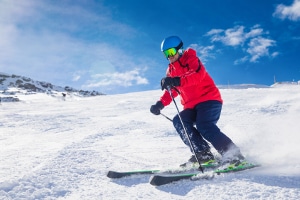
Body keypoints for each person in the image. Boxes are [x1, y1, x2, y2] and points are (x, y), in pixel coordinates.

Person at [150, 36, 244, 166]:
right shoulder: (171, 71)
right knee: (179, 121)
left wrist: (176, 81)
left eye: (171, 52)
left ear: (179, 50)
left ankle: (234, 155)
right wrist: (160, 104)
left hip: (209, 100)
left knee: (204, 125)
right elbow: (172, 91)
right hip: (190, 106)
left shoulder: (191, 59)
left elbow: (197, 75)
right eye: (166, 54)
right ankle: (203, 153)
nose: (169, 56)